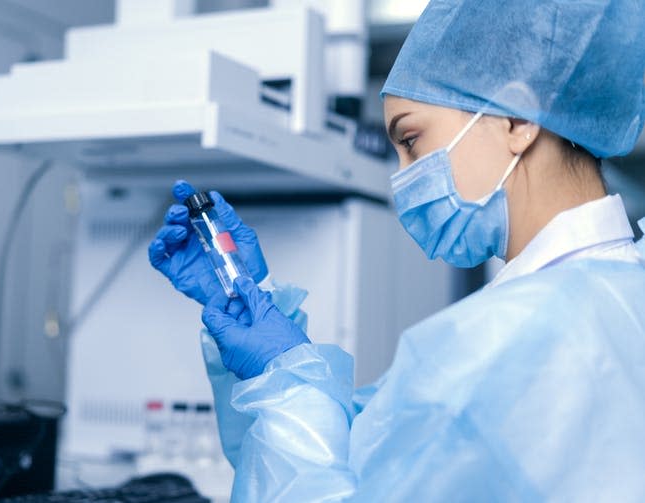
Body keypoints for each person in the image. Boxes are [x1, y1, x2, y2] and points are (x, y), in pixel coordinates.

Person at [149, 0, 645, 500]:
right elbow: (377, 451)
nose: (402, 177)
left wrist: (285, 388)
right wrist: (278, 344)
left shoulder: (509, 338)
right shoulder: (619, 298)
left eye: (411, 139)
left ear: (516, 121)